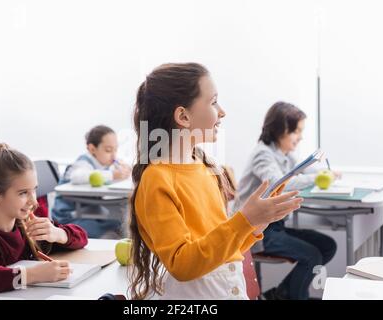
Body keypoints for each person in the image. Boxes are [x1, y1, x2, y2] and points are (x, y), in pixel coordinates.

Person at [128, 63, 303, 300]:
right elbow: (183, 265)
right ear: (183, 116)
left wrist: (255, 225)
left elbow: (223, 249)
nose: (222, 111)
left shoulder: (204, 167)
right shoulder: (157, 179)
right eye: (213, 102)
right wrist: (245, 220)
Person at [0, 143, 88, 297]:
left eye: (34, 190)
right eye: (23, 193)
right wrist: (29, 275)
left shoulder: (27, 225)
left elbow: (82, 238)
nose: (33, 201)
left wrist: (59, 234)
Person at [233, 101, 338, 300]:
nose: (300, 137)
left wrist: (328, 173)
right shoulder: (262, 154)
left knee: (327, 246)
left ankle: (283, 294)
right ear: (281, 130)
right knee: (312, 255)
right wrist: (316, 179)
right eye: (296, 132)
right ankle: (293, 296)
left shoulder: (285, 154)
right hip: (258, 231)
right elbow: (277, 183)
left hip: (276, 226)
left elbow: (304, 170)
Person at [52, 125, 131, 238]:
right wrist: (112, 175)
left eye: (115, 149)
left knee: (120, 224)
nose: (114, 155)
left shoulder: (104, 163)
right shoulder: (83, 162)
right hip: (69, 218)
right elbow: (78, 176)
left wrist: (124, 171)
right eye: (108, 150)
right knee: (118, 227)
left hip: (89, 213)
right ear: (92, 149)